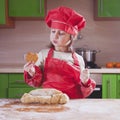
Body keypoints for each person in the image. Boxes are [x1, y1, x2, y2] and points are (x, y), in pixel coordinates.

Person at [23, 6, 96, 99]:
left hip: (72, 104)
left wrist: (85, 82)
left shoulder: (78, 59)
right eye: (53, 31)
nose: (55, 36)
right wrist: (32, 72)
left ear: (72, 37)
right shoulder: (43, 55)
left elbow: (83, 92)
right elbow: (36, 83)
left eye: (61, 33)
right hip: (50, 102)